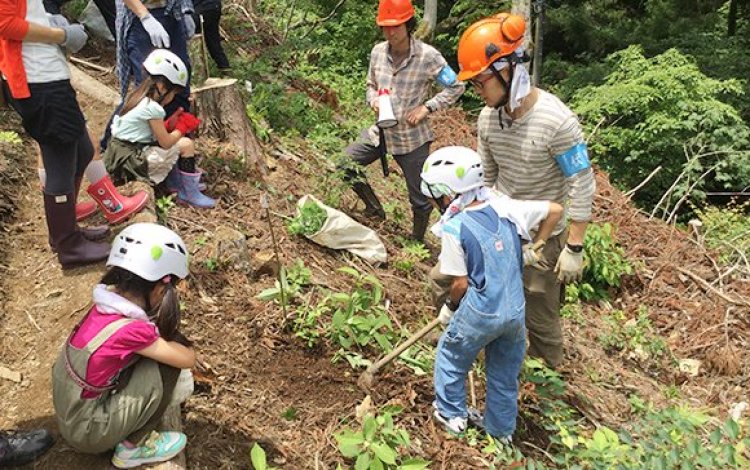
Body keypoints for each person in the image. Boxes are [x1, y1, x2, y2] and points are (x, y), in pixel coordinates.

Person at [431, 13, 597, 368]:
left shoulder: (556, 121)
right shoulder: (488, 119)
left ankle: (546, 391)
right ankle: (462, 351)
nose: (477, 90)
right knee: (446, 280)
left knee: (538, 315)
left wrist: (574, 247)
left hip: (542, 232)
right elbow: (486, 179)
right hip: (500, 222)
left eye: (481, 81)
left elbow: (581, 181)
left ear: (509, 69)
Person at [421, 146, 563, 441]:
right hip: (513, 311)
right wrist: (534, 247)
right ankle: (500, 433)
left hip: (481, 311)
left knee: (451, 356)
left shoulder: (454, 227)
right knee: (504, 374)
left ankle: (451, 416)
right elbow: (555, 210)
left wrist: (450, 308)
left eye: (435, 193)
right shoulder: (504, 207)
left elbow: (459, 283)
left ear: (448, 192)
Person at [0, 0, 147, 269]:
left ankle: (67, 230)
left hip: (49, 75)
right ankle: (67, 244)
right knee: (60, 161)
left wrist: (52, 22)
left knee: (80, 152)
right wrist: (61, 35)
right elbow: (5, 24)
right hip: (38, 80)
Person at [52, 222, 195, 469]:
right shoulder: (132, 329)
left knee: (153, 356)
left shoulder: (105, 306)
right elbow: (186, 359)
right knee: (166, 367)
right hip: (88, 431)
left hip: (73, 413)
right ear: (160, 287)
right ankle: (132, 448)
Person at [342, 0, 465, 242]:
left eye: (396, 26)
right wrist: (373, 100)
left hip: (412, 139)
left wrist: (427, 107)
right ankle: (375, 209)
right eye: (385, 27)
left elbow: (457, 86)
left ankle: (417, 241)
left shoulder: (428, 56)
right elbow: (370, 85)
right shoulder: (378, 52)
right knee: (345, 164)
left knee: (421, 197)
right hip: (381, 133)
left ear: (408, 25)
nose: (390, 32)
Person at [102, 49, 216, 208]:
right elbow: (166, 143)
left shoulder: (137, 98)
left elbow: (149, 132)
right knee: (186, 144)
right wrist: (182, 128)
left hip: (118, 156)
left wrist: (170, 124)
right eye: (173, 93)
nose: (173, 98)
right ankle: (189, 193)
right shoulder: (153, 108)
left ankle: (177, 183)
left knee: (176, 142)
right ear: (162, 86)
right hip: (130, 162)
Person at [101, 0, 194, 149]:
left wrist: (186, 10)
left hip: (172, 13)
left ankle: (179, 155)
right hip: (141, 18)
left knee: (179, 89)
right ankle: (111, 149)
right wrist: (145, 17)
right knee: (150, 90)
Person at [192, 0, 230, 74]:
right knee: (213, 41)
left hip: (204, 8)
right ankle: (225, 68)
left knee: (184, 31)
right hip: (214, 6)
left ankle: (194, 75)